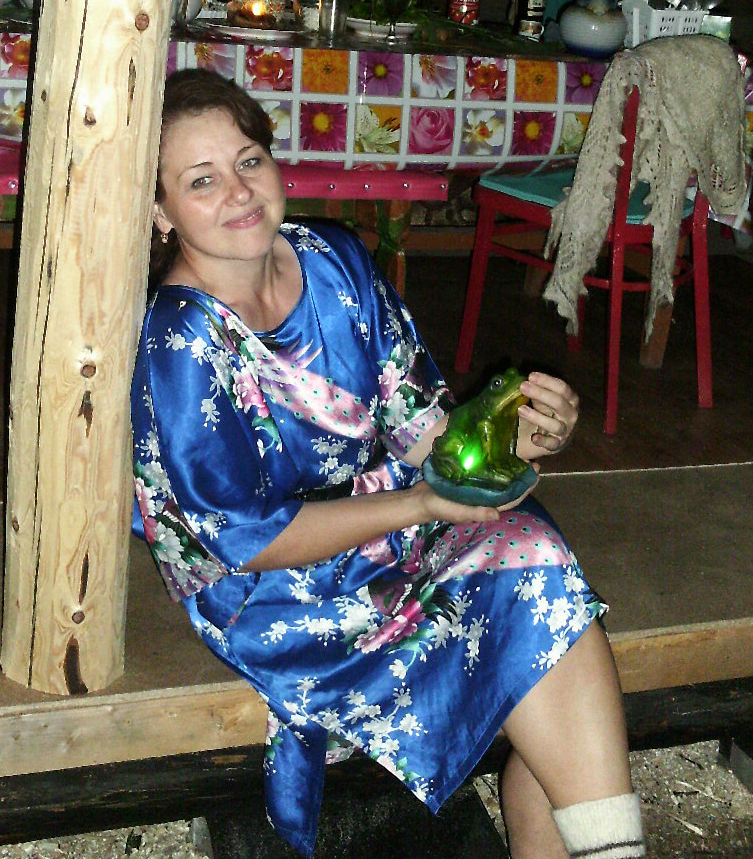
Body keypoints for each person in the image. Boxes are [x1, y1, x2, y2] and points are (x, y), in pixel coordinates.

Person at [131, 69, 644, 859]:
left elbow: (423, 433)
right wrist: (423, 507)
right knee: (533, 619)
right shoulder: (181, 338)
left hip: (392, 525)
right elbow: (246, 541)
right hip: (278, 587)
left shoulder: (332, 259)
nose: (238, 191)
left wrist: (526, 435)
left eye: (249, 160)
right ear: (161, 211)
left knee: (532, 556)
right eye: (201, 180)